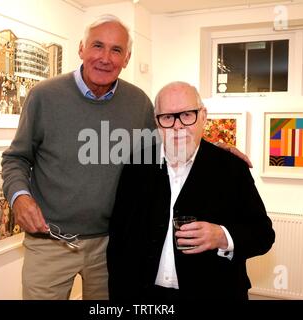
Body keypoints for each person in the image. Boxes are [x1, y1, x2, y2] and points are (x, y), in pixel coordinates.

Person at [2, 15, 250, 300]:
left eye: (116, 50)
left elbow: (168, 143)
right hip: (50, 241)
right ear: (81, 48)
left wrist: (215, 149)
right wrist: (20, 197)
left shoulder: (139, 102)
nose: (105, 58)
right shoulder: (43, 96)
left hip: (110, 243)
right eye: (97, 46)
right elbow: (16, 158)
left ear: (127, 58)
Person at [107, 82, 275, 301]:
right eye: (168, 117)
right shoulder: (136, 166)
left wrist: (222, 236)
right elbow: (119, 239)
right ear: (157, 122)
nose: (178, 126)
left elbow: (263, 235)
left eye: (187, 115)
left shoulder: (232, 168)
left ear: (203, 116)